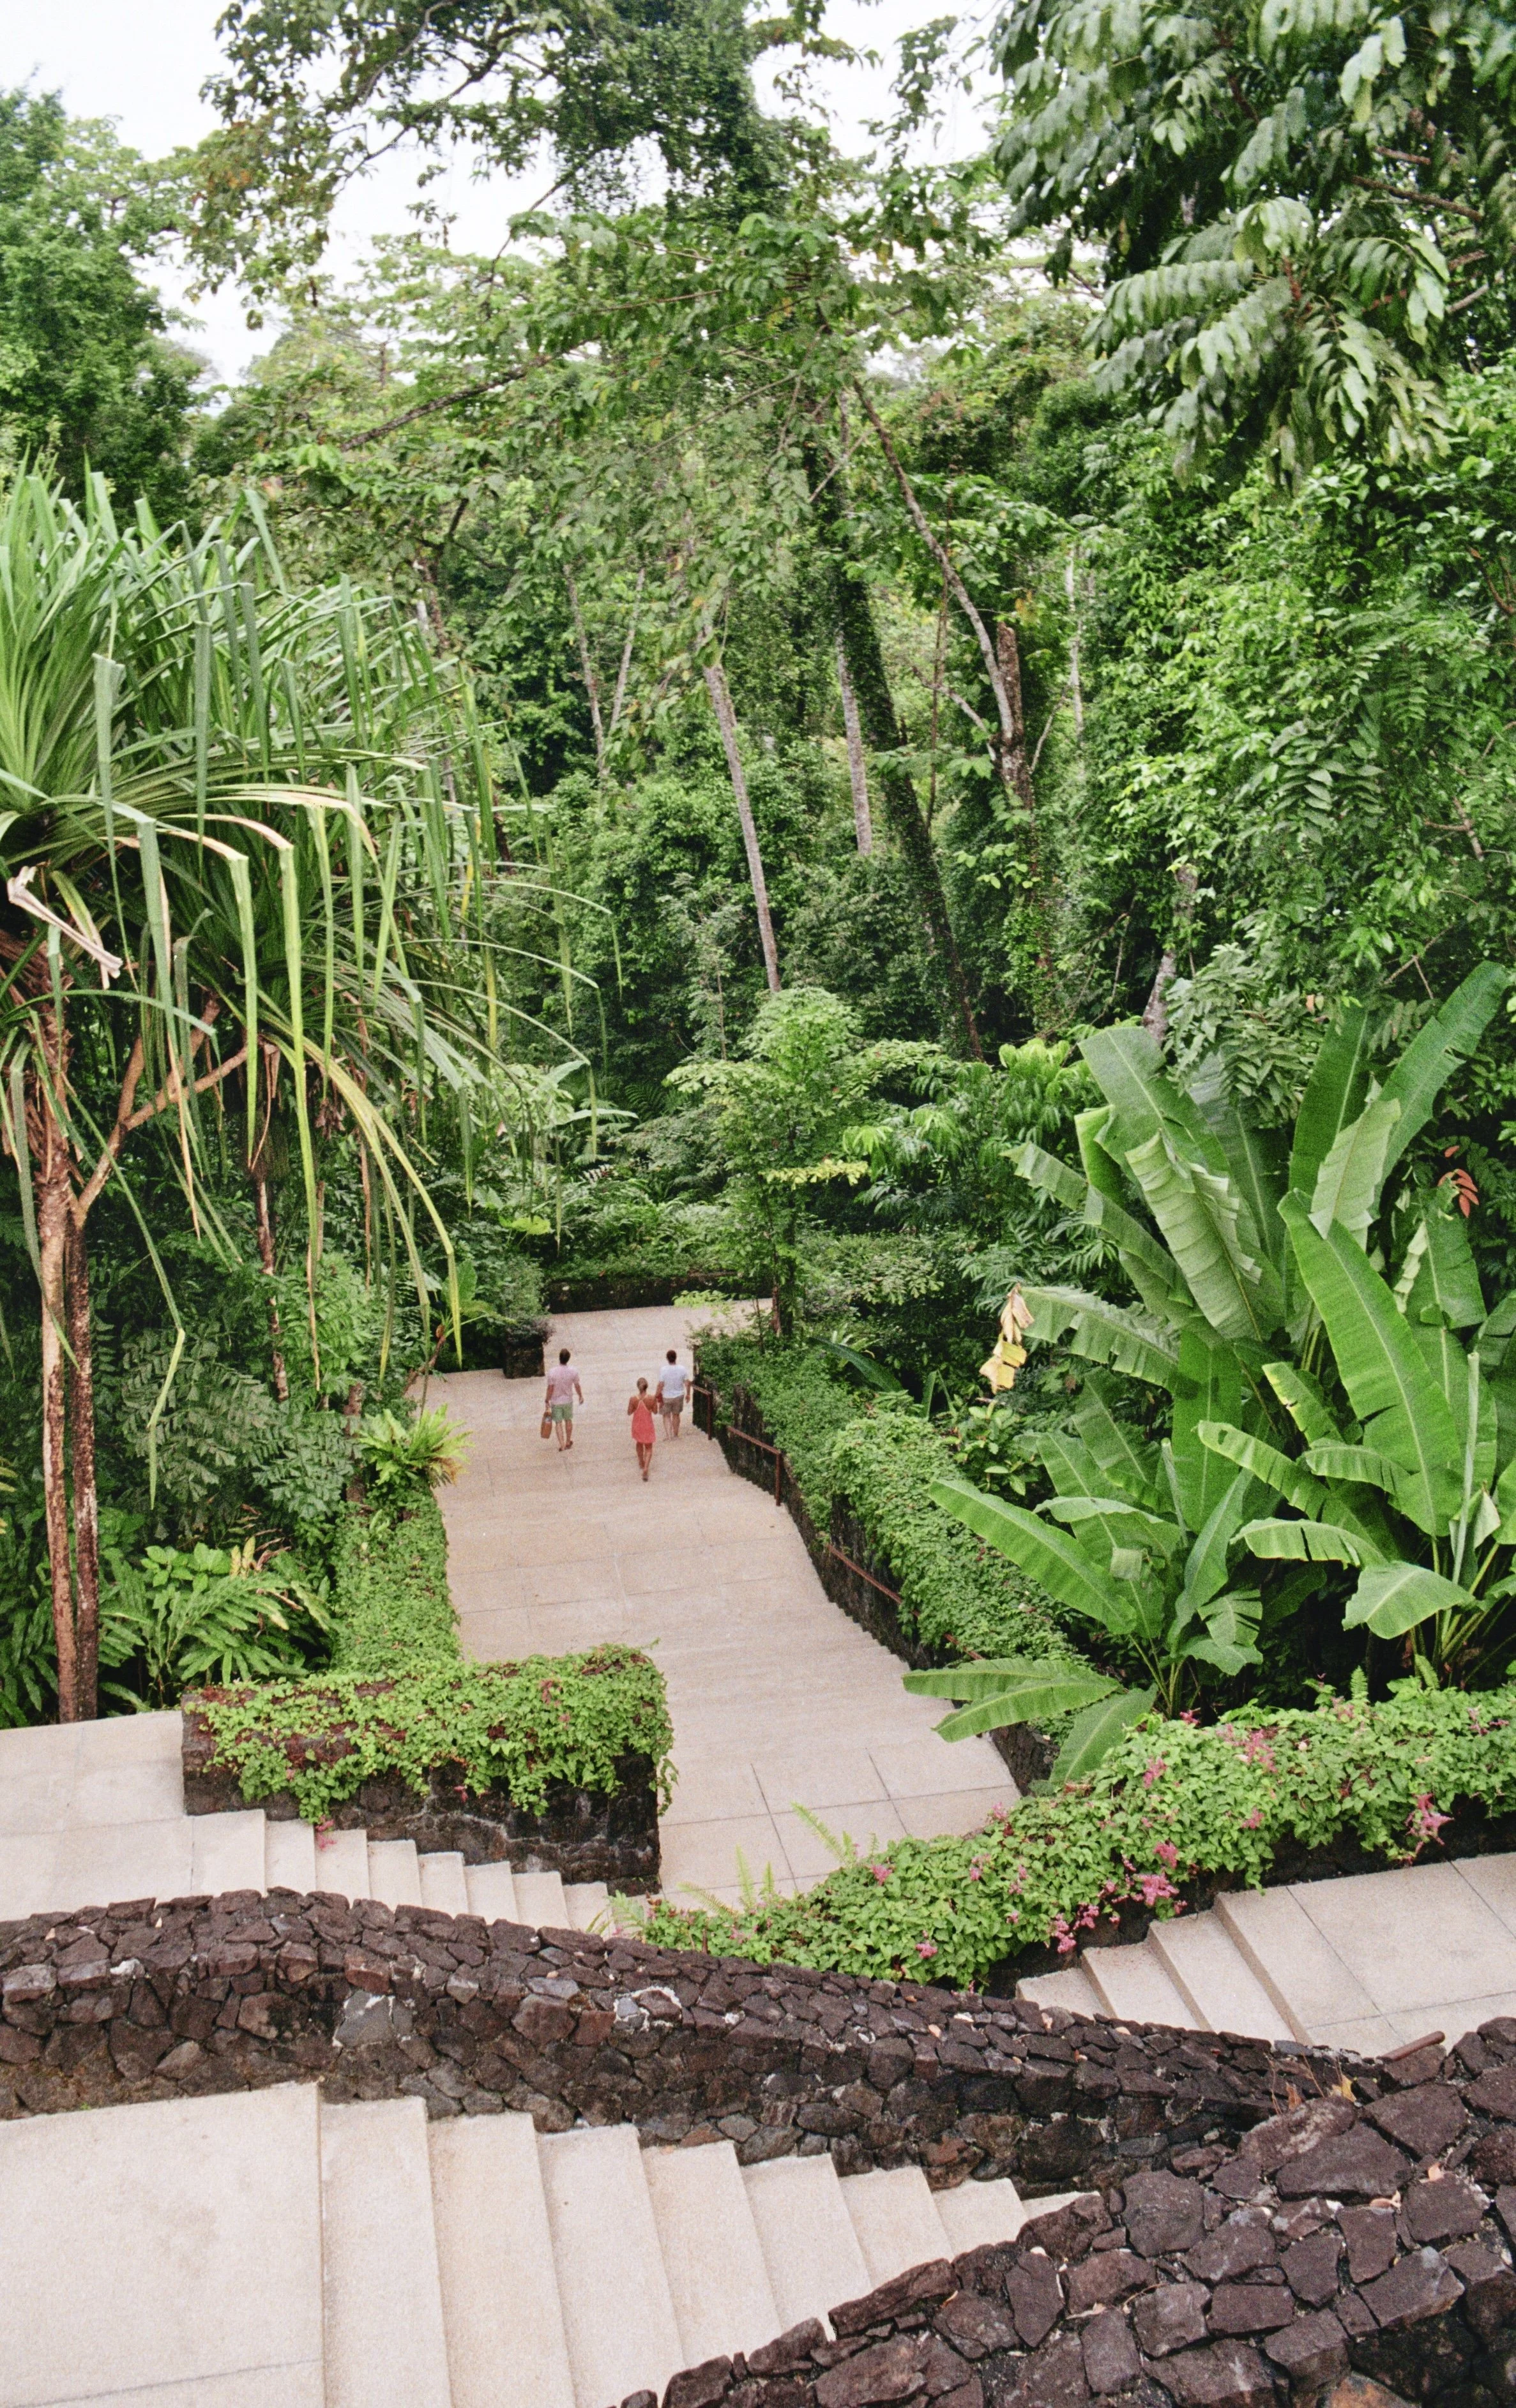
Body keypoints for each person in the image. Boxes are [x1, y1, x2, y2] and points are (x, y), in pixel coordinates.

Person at [543, 1348, 583, 1451]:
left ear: (559, 1358)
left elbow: (550, 1388)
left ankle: (562, 1444)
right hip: (568, 1400)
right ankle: (568, 1441)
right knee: (568, 1420)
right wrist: (580, 1396)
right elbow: (577, 1385)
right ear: (568, 1359)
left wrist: (547, 1399)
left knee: (558, 1423)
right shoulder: (573, 1372)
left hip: (556, 1401)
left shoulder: (552, 1372)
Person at [656, 1347, 689, 1438]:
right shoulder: (682, 1369)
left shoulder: (663, 1370)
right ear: (676, 1358)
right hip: (679, 1395)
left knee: (666, 1415)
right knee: (676, 1415)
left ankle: (668, 1435)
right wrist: (688, 1394)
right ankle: (675, 1434)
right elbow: (687, 1383)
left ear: (667, 1358)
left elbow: (661, 1384)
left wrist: (657, 1394)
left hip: (666, 1396)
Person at [628, 1376, 656, 1480]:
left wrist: (633, 1406)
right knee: (649, 1447)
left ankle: (641, 1461)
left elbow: (629, 1412)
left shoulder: (633, 1399)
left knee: (639, 1443)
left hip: (637, 1425)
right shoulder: (652, 1399)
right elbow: (655, 1411)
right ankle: (646, 1468)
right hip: (648, 1424)